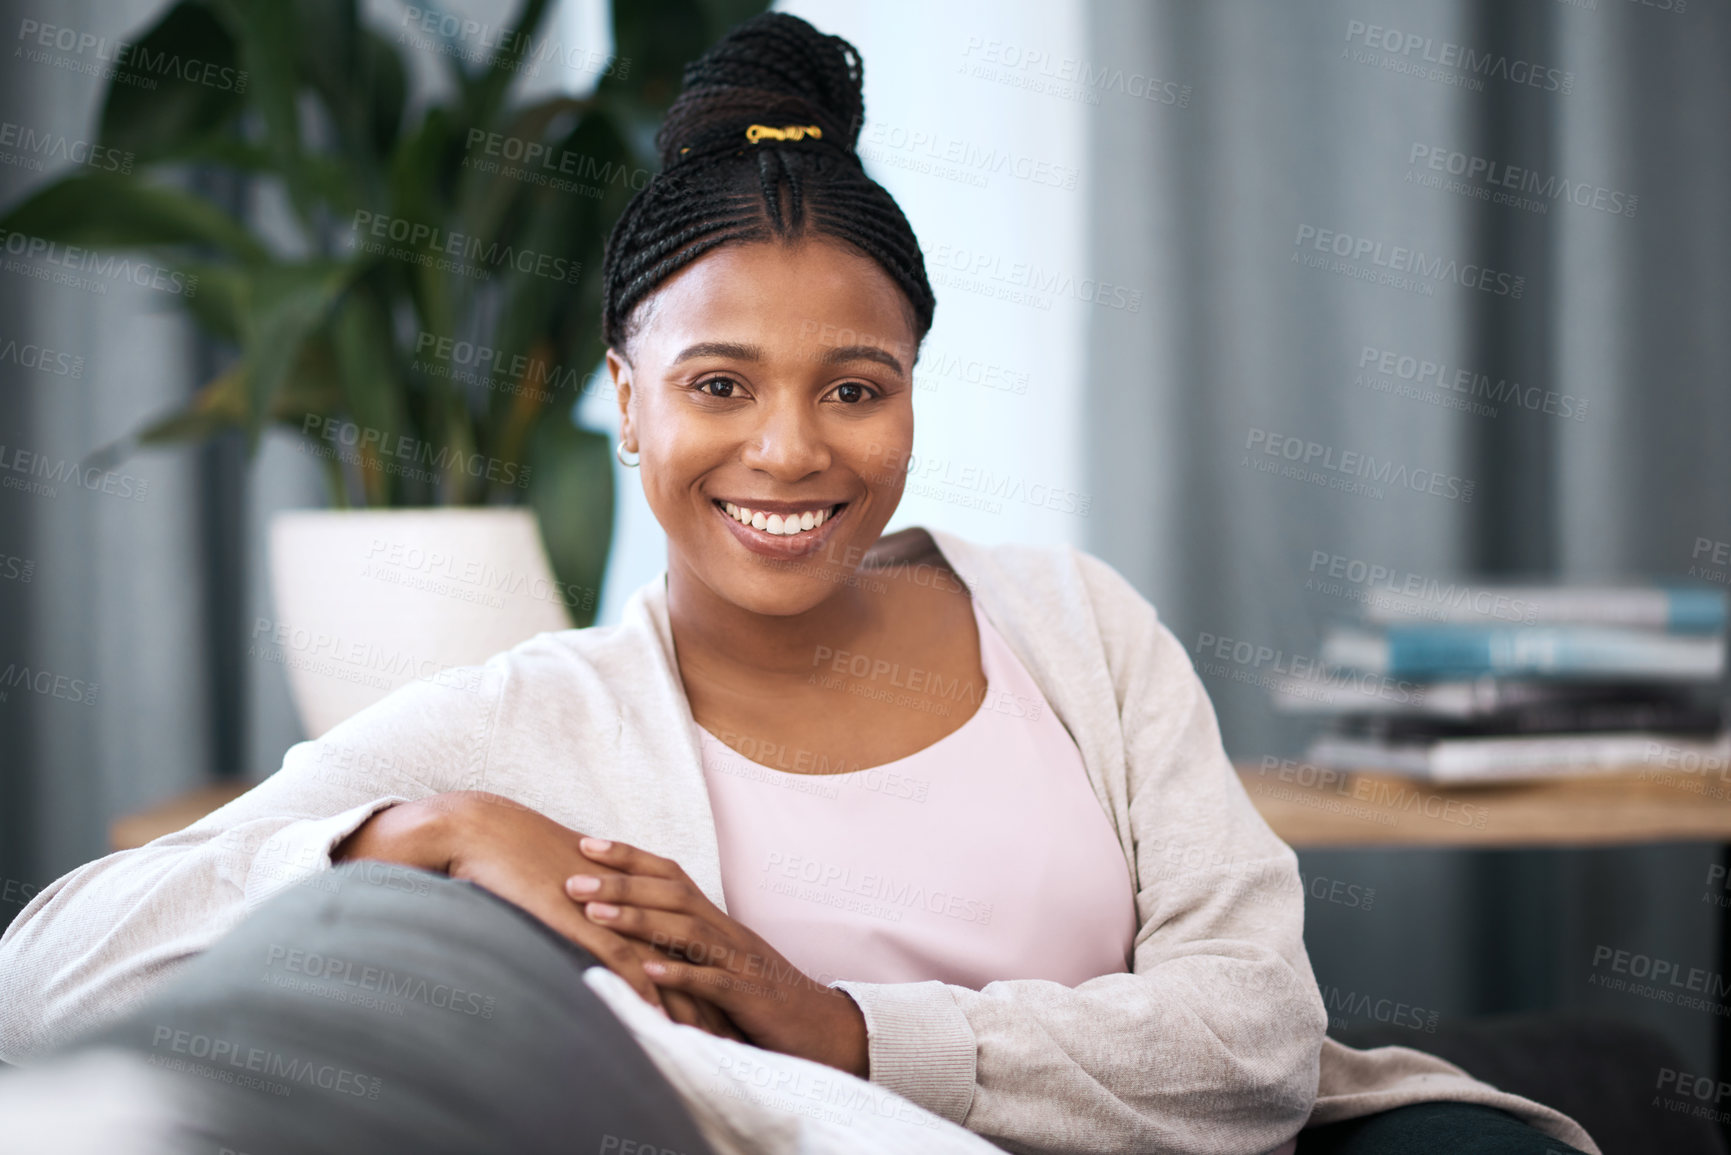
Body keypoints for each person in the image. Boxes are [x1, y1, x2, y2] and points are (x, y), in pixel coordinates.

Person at [0, 12, 1598, 1155]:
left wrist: (839, 1022)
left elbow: (1253, 1044)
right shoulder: (529, 727)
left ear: (912, 387)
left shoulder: (1075, 623)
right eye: (717, 387)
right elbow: (45, 964)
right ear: (623, 401)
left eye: (854, 386)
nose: (790, 452)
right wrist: (413, 831)